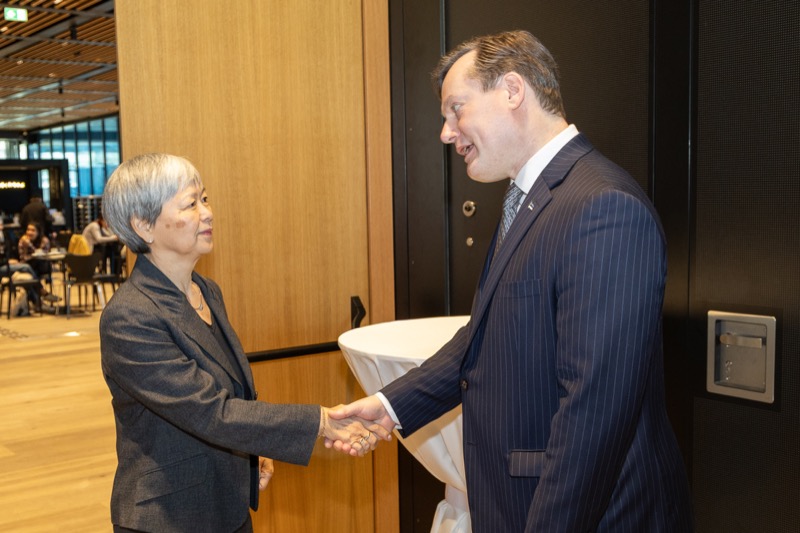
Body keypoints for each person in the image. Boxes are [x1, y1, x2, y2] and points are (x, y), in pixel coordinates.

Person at [330, 30, 693, 531]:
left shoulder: (604, 208)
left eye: (456, 109)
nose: (446, 133)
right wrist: (391, 405)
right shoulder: (531, 198)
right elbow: (482, 336)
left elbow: (593, 415)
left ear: (512, 90)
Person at [99, 153, 390, 533]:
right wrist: (321, 422)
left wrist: (253, 450)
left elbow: (231, 390)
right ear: (143, 225)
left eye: (205, 199)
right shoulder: (130, 316)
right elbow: (210, 411)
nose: (207, 213)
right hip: (169, 516)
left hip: (226, 502)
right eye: (190, 204)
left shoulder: (206, 290)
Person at [16, 222, 60, 309]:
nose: (29, 232)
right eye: (28, 230)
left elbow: (42, 255)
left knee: (32, 269)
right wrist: (28, 243)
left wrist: (30, 245)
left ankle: (38, 301)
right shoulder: (23, 241)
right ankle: (41, 296)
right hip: (29, 267)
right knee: (29, 277)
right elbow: (22, 257)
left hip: (42, 266)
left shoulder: (44, 240)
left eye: (33, 230)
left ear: (38, 232)